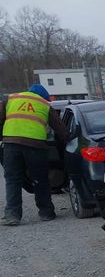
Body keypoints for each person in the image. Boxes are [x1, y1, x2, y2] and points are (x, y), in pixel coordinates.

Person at [0, 84, 71, 226]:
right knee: (40, 179)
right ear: (44, 97)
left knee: (13, 180)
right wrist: (68, 140)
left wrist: (4, 138)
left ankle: (12, 215)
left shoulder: (10, 99)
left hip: (11, 145)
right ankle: (46, 212)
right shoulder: (44, 104)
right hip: (36, 146)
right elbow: (59, 128)